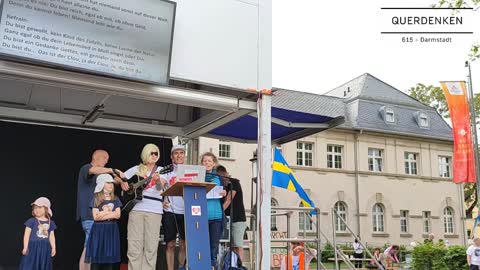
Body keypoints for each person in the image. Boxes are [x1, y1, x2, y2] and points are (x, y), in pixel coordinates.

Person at [77, 149, 127, 270]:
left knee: (91, 246)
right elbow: (94, 170)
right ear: (96, 157)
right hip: (90, 216)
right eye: (105, 158)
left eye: (107, 160)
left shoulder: (102, 175)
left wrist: (121, 182)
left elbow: (113, 180)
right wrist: (112, 170)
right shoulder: (87, 168)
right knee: (90, 247)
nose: (106, 162)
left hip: (102, 219)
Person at [125, 143, 166, 270]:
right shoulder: (137, 168)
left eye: (156, 153)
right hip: (136, 208)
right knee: (134, 245)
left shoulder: (162, 169)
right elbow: (121, 177)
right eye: (151, 153)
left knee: (151, 246)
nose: (154, 155)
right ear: (145, 154)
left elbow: (160, 187)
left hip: (154, 209)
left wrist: (158, 180)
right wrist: (123, 184)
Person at [85, 174, 122, 270]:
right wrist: (108, 212)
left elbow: (117, 215)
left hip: (111, 230)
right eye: (108, 182)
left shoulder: (115, 199)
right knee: (96, 258)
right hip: (99, 230)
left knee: (109, 259)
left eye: (112, 183)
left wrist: (102, 213)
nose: (111, 185)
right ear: (102, 184)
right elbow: (95, 217)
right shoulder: (96, 199)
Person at [162, 145, 187, 270]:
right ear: (171, 157)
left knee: (184, 244)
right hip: (170, 211)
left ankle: (181, 267)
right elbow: (156, 189)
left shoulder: (190, 170)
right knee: (170, 244)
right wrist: (161, 202)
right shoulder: (166, 171)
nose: (179, 155)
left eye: (181, 153)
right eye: (176, 153)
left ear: (184, 155)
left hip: (185, 211)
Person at [202, 152, 227, 269]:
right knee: (203, 244)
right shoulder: (199, 177)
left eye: (209, 161)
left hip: (217, 216)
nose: (207, 163)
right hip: (202, 216)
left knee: (214, 245)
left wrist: (224, 193)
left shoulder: (219, 178)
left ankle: (212, 266)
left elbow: (224, 195)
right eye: (204, 161)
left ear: (214, 163)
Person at [218, 165, 247, 261]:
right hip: (226, 218)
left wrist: (218, 211)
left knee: (238, 245)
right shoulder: (220, 186)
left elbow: (228, 200)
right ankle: (232, 264)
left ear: (226, 174)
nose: (222, 179)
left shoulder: (234, 182)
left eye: (223, 176)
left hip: (238, 218)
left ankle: (239, 265)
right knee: (230, 246)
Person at [19, 197, 57, 270]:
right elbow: (26, 235)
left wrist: (53, 247)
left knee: (42, 265)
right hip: (33, 247)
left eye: (39, 207)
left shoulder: (51, 222)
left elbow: (51, 236)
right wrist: (25, 247)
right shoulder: (31, 221)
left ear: (46, 209)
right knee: (30, 265)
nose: (37, 210)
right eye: (35, 208)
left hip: (45, 248)